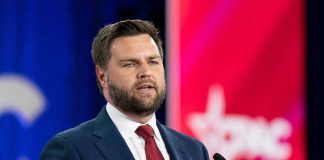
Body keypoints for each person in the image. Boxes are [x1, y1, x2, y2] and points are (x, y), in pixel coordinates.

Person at [40, 19, 209, 160]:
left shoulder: (194, 151)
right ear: (102, 76)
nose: (145, 72)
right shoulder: (70, 149)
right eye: (130, 64)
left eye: (153, 62)